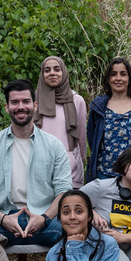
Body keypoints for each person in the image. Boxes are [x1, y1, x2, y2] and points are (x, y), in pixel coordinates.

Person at [0, 79, 71, 248]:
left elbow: (65, 191)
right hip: (2, 220)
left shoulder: (53, 145)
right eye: (14, 102)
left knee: (77, 232)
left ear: (35, 105)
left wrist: (44, 218)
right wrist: (2, 219)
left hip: (45, 221)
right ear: (6, 107)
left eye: (25, 101)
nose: (20, 107)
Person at [87, 57, 131, 181]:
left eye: (123, 74)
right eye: (113, 74)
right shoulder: (98, 106)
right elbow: (92, 138)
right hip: (104, 174)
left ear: (129, 78)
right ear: (108, 78)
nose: (118, 78)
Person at [35, 56, 88, 188]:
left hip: (70, 172)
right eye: (47, 70)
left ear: (63, 72)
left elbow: (81, 138)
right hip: (38, 172)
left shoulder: (77, 100)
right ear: (42, 75)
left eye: (57, 69)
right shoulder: (33, 100)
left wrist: (78, 161)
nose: (52, 73)